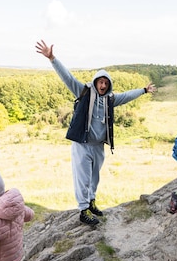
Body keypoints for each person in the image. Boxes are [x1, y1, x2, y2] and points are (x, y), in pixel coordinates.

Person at [35, 40, 156, 226]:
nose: (103, 85)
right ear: (95, 82)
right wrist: (52, 58)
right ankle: (83, 210)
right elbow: (67, 77)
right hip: (82, 145)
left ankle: (91, 202)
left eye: (106, 83)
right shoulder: (83, 91)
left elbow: (127, 96)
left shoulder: (110, 100)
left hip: (98, 146)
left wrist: (144, 91)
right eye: (100, 81)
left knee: (94, 178)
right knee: (82, 178)